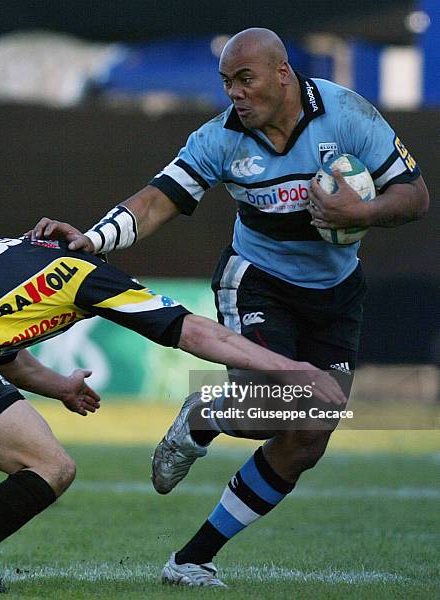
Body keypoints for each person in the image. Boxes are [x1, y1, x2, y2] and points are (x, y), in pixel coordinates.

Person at [30, 28, 429, 587]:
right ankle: (205, 413)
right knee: (275, 403)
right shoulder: (219, 138)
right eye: (226, 83)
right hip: (257, 282)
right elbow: (155, 201)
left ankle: (191, 559)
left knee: (309, 434)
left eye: (246, 79)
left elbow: (414, 195)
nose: (235, 94)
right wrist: (93, 241)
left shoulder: (347, 114)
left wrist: (360, 214)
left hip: (338, 292)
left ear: (284, 75)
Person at [0, 234, 344, 592]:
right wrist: (292, 367)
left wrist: (60, 387)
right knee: (50, 467)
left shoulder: (4, 250)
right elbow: (194, 332)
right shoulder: (86, 272)